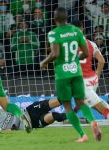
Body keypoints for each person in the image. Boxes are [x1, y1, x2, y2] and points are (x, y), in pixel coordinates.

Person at [40, 7, 102, 142]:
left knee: (67, 105)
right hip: (77, 72)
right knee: (81, 101)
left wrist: (44, 62)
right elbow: (86, 54)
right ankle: (92, 122)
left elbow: (55, 54)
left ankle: (82, 135)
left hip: (62, 74)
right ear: (66, 18)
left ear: (55, 19)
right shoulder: (76, 31)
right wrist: (74, 59)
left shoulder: (53, 33)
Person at [71, 20, 109, 118]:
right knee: (90, 102)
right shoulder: (91, 43)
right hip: (92, 79)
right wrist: (97, 74)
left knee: (95, 104)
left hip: (82, 81)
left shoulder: (69, 45)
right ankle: (72, 116)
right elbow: (101, 60)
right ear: (82, 28)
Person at [0, 99, 67, 132]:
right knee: (56, 116)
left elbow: (16, 110)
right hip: (33, 123)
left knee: (58, 101)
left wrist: (14, 126)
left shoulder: (4, 108)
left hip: (29, 111)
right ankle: (74, 116)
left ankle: (74, 96)